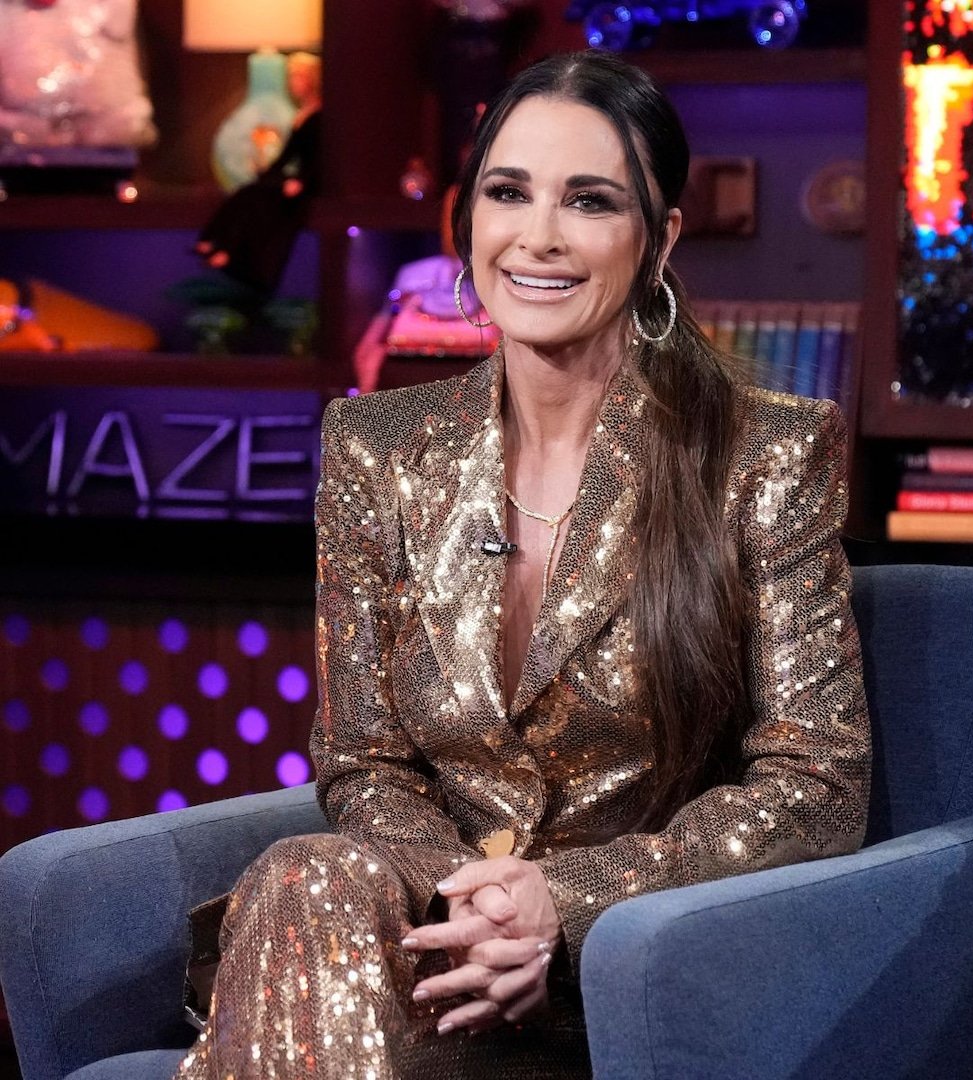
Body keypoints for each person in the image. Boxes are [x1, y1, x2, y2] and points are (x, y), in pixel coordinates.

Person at [174, 49, 871, 1079]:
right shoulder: (376, 447)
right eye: (508, 192)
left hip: (626, 968)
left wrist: (567, 905)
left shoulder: (764, 454)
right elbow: (363, 762)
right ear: (467, 219)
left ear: (660, 237)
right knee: (306, 877)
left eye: (590, 201)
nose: (538, 236)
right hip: (424, 945)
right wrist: (480, 909)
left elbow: (820, 782)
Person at [192, 52, 323, 295]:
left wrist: (301, 181)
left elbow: (320, 156)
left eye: (297, 77)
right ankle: (215, 242)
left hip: (308, 181)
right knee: (248, 191)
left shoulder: (321, 116)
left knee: (260, 200)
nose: (292, 83)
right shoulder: (301, 114)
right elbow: (286, 155)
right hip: (292, 177)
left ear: (311, 79)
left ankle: (228, 251)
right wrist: (266, 175)